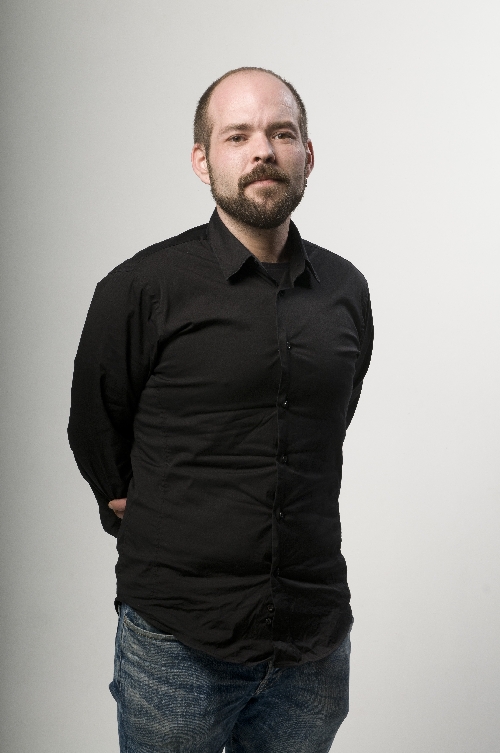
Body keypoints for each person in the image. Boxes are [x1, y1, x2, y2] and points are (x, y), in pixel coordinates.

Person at [68, 67, 374, 753]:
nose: (262, 150)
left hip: (313, 645)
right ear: (202, 160)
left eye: (281, 133)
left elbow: (330, 423)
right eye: (238, 136)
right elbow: (95, 426)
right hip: (178, 645)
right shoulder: (140, 288)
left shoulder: (346, 290)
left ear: (308, 155)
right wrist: (143, 508)